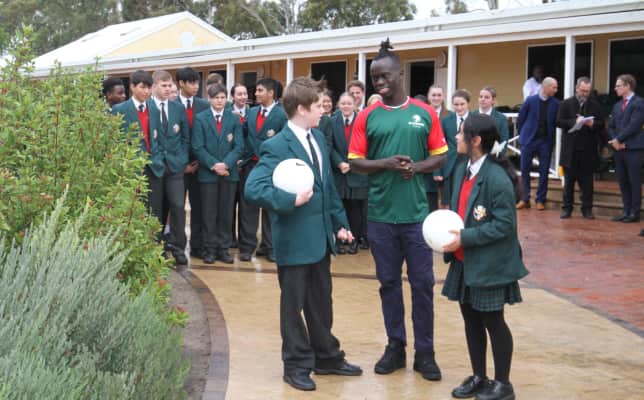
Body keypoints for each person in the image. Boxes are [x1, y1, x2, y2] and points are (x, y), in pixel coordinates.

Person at [245, 76, 362, 392]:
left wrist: (340, 224)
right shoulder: (276, 145)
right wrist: (289, 200)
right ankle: (296, 365)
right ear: (301, 109)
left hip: (321, 239)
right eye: (318, 106)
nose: (324, 110)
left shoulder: (319, 138)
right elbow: (254, 188)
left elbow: (327, 188)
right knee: (293, 307)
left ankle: (327, 357)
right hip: (294, 241)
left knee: (322, 302)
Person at [349, 39, 448, 380]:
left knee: (423, 285)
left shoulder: (425, 113)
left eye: (385, 76)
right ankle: (395, 347)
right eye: (375, 78)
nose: (379, 82)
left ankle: (426, 353)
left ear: (400, 74)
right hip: (380, 215)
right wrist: (386, 163)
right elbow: (355, 162)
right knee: (388, 283)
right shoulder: (367, 116)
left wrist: (417, 168)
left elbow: (440, 155)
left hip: (417, 217)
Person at [442, 113, 528, 400]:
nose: (456, 137)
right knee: (471, 320)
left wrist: (464, 237)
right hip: (465, 261)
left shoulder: (496, 178)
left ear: (476, 140)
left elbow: (505, 225)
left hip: (489, 263)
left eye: (461, 133)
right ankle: (479, 376)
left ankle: (503, 384)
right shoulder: (462, 169)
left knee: (493, 321)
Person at [113, 70, 190, 265]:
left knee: (159, 210)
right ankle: (143, 249)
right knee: (141, 210)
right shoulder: (120, 110)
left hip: (155, 167)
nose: (146, 91)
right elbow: (116, 140)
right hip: (133, 169)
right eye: (142, 87)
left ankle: (160, 249)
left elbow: (158, 139)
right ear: (132, 87)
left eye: (148, 88)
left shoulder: (153, 110)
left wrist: (158, 159)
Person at [192, 83, 244, 264]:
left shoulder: (234, 118)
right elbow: (198, 147)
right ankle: (210, 249)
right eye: (216, 98)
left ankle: (224, 248)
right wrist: (214, 165)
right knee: (209, 213)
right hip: (208, 174)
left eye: (222, 97)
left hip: (229, 174)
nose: (220, 101)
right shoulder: (200, 118)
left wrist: (226, 164)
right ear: (209, 99)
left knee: (226, 212)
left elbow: (239, 146)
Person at [238, 78, 288, 262]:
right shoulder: (251, 112)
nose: (256, 94)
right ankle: (246, 247)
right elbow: (244, 134)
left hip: (272, 168)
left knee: (270, 208)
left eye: (260, 90)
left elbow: (285, 141)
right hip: (251, 165)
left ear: (271, 93)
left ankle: (270, 246)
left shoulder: (282, 115)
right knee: (248, 207)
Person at [556, 77, 604, 219]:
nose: (584, 94)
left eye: (587, 91)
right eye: (582, 90)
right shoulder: (566, 103)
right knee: (569, 183)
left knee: (587, 183)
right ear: (576, 88)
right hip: (570, 150)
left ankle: (587, 209)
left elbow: (601, 124)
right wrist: (574, 122)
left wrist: (592, 124)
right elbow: (558, 122)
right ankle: (567, 208)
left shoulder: (595, 105)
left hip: (588, 150)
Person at [176, 67, 211, 258]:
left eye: (197, 82)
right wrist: (183, 165)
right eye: (191, 82)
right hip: (178, 167)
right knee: (177, 208)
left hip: (200, 165)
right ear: (181, 83)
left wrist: (200, 160)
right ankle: (178, 247)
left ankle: (198, 246)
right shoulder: (171, 105)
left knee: (200, 208)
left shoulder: (204, 105)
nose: (196, 86)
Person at [329, 92, 369, 255]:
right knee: (339, 206)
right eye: (343, 103)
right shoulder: (332, 122)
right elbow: (329, 145)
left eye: (349, 103)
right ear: (338, 105)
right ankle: (340, 240)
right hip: (339, 172)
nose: (346, 106)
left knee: (355, 209)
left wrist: (352, 164)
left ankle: (354, 241)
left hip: (357, 172)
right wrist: (339, 162)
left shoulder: (363, 121)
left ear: (355, 105)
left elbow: (367, 145)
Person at [516, 77, 560, 211]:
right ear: (545, 87)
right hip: (529, 140)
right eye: (554, 87)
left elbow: (556, 121)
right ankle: (525, 198)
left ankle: (540, 199)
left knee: (544, 170)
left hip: (545, 141)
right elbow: (521, 119)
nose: (556, 90)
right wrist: (523, 134)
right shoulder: (530, 100)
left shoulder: (556, 103)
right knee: (525, 169)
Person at [608, 74, 644, 223]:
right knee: (623, 181)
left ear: (628, 86)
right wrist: (615, 141)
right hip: (619, 149)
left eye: (618, 86)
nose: (615, 88)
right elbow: (611, 126)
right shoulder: (617, 105)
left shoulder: (639, 103)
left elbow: (634, 125)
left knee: (634, 181)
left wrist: (619, 139)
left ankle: (634, 213)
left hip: (634, 149)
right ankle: (626, 211)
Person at [432, 89, 468, 211]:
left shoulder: (474, 119)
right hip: (450, 165)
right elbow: (439, 145)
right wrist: (437, 170)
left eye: (462, 104)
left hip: (469, 163)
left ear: (468, 103)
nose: (459, 107)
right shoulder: (446, 120)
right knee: (448, 201)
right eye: (456, 104)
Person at [230, 83, 250, 248]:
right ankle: (230, 238)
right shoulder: (227, 112)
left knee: (246, 205)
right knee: (229, 204)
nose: (243, 97)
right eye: (239, 94)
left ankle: (245, 239)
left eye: (245, 94)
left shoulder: (253, 113)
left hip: (247, 163)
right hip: (230, 164)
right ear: (233, 97)